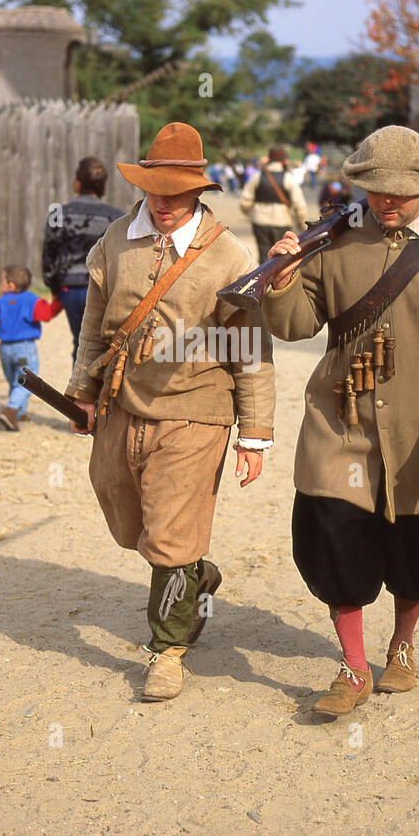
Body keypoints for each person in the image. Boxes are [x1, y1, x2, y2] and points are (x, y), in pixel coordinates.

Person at [261, 125, 419, 715]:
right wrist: (283, 278)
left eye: (399, 190)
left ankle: (400, 648)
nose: (387, 201)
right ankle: (351, 668)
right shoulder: (335, 237)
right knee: (332, 536)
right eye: (376, 189)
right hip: (341, 424)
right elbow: (295, 324)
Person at [64, 121, 276, 702]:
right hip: (122, 402)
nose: (163, 202)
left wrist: (254, 434)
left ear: (198, 192)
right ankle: (197, 579)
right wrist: (83, 389)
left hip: (198, 407)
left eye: (177, 192)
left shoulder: (230, 256)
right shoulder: (114, 239)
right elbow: (93, 322)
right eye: (155, 189)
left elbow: (252, 349)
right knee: (127, 513)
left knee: (173, 534)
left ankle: (166, 651)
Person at [41, 156, 126, 361]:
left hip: (69, 289)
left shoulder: (58, 213)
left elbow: (49, 254)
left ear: (77, 182)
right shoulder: (117, 217)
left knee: (80, 344)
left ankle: (78, 391)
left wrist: (54, 288)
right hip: (103, 289)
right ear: (102, 185)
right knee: (103, 344)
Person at [0, 263, 63, 430]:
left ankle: (19, 413)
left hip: (5, 350)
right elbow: (47, 314)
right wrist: (60, 301)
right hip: (24, 348)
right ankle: (11, 410)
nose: (0, 283)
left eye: (2, 280)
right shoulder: (31, 300)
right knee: (27, 381)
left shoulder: (0, 303)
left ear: (11, 285)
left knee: (14, 382)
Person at [239, 146, 307, 259]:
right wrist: (302, 224)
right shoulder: (288, 178)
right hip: (282, 221)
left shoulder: (257, 176)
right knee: (282, 257)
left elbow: (245, 201)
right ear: (283, 160)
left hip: (259, 221)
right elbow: (299, 205)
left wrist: (250, 214)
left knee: (263, 256)